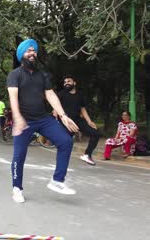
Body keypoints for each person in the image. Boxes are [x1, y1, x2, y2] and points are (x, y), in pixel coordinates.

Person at [7, 38, 79, 203]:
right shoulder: (14, 75)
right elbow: (13, 97)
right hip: (24, 120)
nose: (32, 53)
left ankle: (57, 180)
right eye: (28, 50)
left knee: (65, 141)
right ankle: (17, 188)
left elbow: (50, 95)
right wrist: (17, 118)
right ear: (21, 55)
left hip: (42, 118)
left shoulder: (42, 75)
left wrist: (63, 115)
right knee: (19, 154)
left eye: (34, 50)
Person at [55, 75, 100, 165]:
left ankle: (87, 155)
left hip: (78, 121)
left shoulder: (80, 95)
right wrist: (56, 117)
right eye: (65, 82)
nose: (66, 83)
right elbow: (56, 106)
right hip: (66, 123)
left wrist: (89, 121)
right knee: (66, 143)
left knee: (95, 134)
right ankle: (61, 163)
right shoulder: (61, 94)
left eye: (69, 81)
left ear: (74, 83)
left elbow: (83, 109)